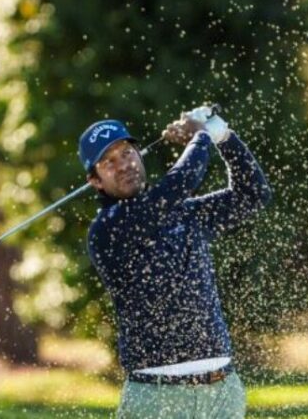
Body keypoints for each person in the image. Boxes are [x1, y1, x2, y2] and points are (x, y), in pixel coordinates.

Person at [79, 106, 272, 418]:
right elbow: (182, 180)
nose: (123, 165)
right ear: (96, 181)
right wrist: (200, 135)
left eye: (127, 153)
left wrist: (223, 135)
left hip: (222, 391)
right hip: (157, 397)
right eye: (108, 162)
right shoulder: (107, 229)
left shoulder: (183, 211)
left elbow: (253, 195)